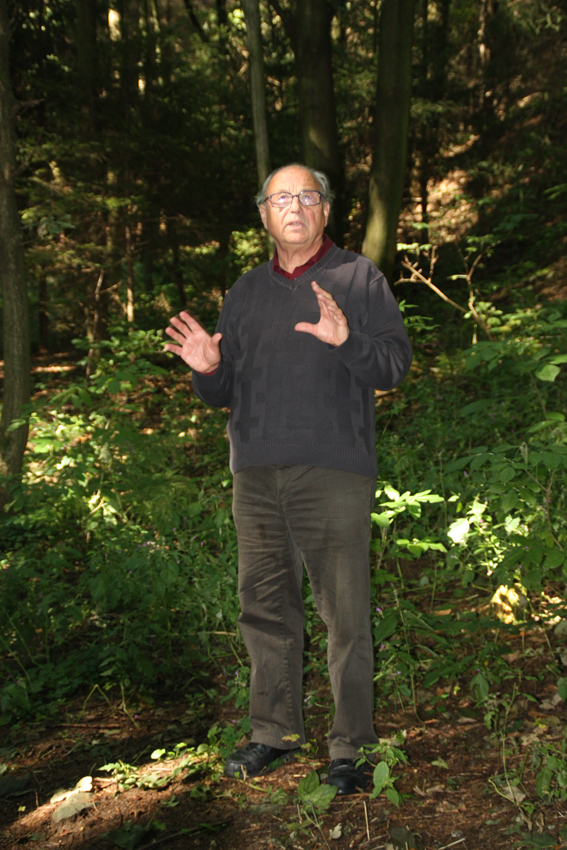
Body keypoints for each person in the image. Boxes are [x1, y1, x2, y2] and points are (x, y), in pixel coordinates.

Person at [165, 164, 412, 795]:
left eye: (307, 196)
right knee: (265, 606)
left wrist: (347, 340)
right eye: (281, 198)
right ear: (264, 214)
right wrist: (207, 370)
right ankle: (274, 732)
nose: (294, 207)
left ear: (325, 209)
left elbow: (393, 366)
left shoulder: (359, 277)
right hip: (254, 471)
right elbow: (224, 390)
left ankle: (352, 747)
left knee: (345, 614)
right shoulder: (245, 291)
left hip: (333, 467)